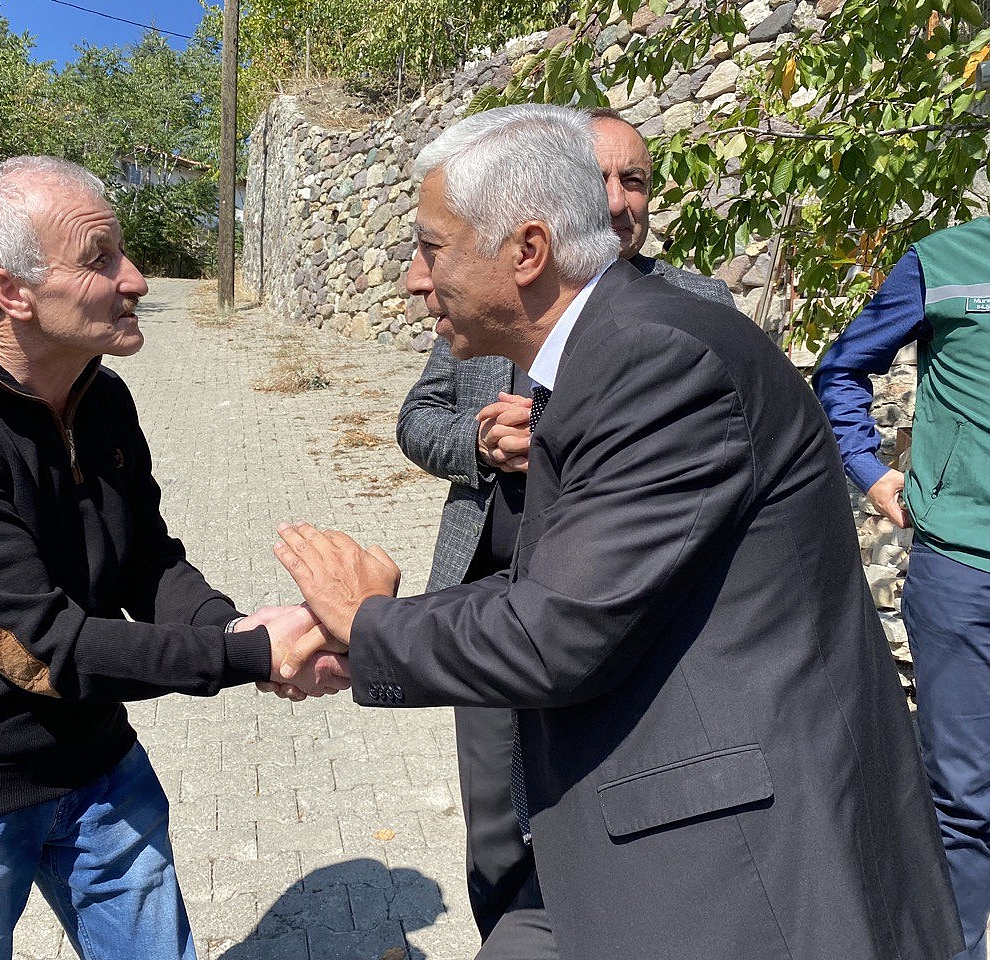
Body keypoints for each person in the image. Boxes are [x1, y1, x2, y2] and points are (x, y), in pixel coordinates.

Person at [272, 105, 962, 959]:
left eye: (432, 248)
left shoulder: (657, 360)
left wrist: (369, 622)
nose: (415, 279)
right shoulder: (608, 347)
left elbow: (557, 629)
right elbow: (574, 581)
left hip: (748, 869)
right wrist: (362, 634)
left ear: (527, 251)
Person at [0, 155, 347, 960]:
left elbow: (147, 560)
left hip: (99, 770)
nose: (136, 279)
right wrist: (251, 655)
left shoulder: (100, 394)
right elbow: (39, 648)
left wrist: (235, 628)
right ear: (11, 292)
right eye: (100, 259)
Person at [395, 106, 733, 948]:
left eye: (635, 181)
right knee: (498, 831)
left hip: (618, 613)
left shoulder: (694, 306)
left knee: (605, 815)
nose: (618, 199)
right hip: (487, 596)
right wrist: (478, 445)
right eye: (600, 178)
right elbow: (417, 418)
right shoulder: (486, 300)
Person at [813, 216, 990, 960]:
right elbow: (840, 370)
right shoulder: (945, 262)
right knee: (964, 798)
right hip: (963, 572)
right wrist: (869, 469)